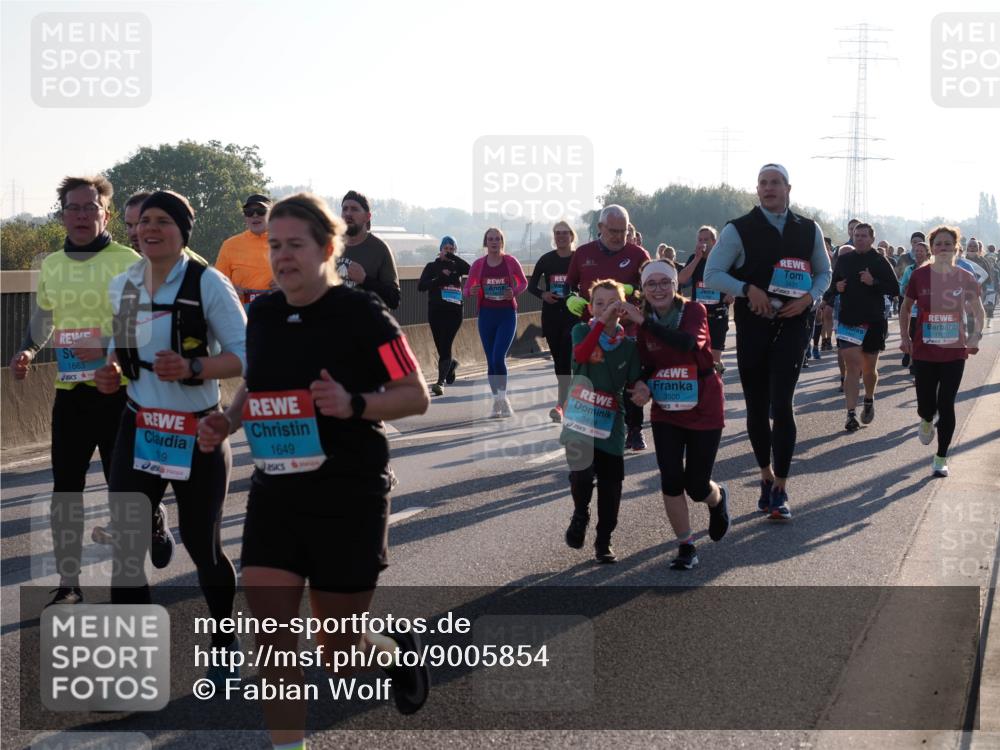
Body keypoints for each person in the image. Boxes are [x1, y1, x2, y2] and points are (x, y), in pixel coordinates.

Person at [196, 193, 431, 745]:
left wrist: (353, 404)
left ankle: (394, 654)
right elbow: (257, 382)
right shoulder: (266, 314)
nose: (282, 256)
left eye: (294, 245)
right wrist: (228, 422)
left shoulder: (363, 314)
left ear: (327, 248)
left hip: (349, 494)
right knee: (271, 641)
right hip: (277, 493)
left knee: (341, 657)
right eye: (274, 245)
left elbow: (415, 395)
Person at [94, 190, 245, 687]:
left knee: (203, 546)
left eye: (163, 221)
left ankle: (224, 639)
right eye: (144, 223)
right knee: (125, 548)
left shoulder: (208, 284)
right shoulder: (125, 285)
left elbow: (248, 358)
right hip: (139, 428)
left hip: (198, 431)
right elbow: (118, 350)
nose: (150, 230)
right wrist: (112, 373)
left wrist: (195, 366)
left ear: (183, 230)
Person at [9, 176, 143, 606]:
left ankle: (130, 576)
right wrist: (29, 350)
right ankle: (69, 583)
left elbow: (141, 323)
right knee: (65, 490)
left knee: (122, 491)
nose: (82, 216)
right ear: (62, 214)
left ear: (107, 213)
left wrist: (111, 353)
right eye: (73, 208)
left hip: (119, 392)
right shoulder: (51, 265)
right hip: (71, 392)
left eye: (91, 208)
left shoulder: (129, 261)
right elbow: (45, 317)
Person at [703, 163, 831, 520]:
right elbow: (713, 274)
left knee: (782, 405)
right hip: (754, 325)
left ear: (788, 188)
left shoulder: (808, 228)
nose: (768, 188)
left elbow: (824, 272)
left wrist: (810, 299)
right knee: (757, 408)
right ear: (756, 189)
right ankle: (764, 475)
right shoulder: (738, 229)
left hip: (794, 324)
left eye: (775, 183)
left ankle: (781, 489)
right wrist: (747, 290)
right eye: (763, 183)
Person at [624, 260, 729, 570]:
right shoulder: (642, 323)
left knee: (697, 485)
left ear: (675, 285)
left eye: (663, 282)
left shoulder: (694, 310)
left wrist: (643, 322)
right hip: (667, 409)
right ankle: (686, 545)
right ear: (643, 289)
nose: (657, 289)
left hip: (704, 403)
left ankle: (717, 498)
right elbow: (647, 364)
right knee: (671, 477)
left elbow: (685, 345)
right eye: (650, 284)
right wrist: (642, 384)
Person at [560, 280, 641, 563]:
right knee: (581, 474)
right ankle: (581, 512)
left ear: (622, 309)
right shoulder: (581, 330)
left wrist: (643, 387)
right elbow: (581, 355)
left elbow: (635, 380)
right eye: (599, 304)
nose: (605, 309)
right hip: (581, 411)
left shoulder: (629, 345)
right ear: (591, 307)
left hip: (611, 418)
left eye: (611, 304)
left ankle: (604, 539)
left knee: (611, 484)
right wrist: (599, 323)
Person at [899, 226, 985, 478]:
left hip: (954, 351)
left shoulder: (965, 277)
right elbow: (905, 309)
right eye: (938, 244)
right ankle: (926, 419)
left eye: (948, 244)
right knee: (926, 405)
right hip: (924, 350)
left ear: (956, 248)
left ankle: (941, 457)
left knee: (946, 403)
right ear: (931, 248)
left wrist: (975, 336)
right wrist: (904, 338)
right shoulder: (919, 276)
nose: (943, 248)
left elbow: (978, 311)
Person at [566, 205, 651, 449]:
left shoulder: (638, 254)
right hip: (591, 327)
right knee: (589, 380)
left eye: (623, 231)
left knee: (631, 381)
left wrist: (633, 290)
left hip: (627, 329)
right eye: (612, 230)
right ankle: (585, 430)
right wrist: (570, 298)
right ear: (600, 228)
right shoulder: (582, 253)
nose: (618, 236)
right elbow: (568, 285)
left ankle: (634, 430)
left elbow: (651, 289)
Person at [824, 223, 899, 431]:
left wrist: (873, 281)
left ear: (872, 239)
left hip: (874, 321)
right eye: (856, 235)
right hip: (849, 320)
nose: (859, 239)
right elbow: (831, 288)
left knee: (869, 369)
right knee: (852, 367)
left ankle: (869, 398)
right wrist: (836, 289)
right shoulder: (845, 260)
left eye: (864, 236)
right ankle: (850, 414)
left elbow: (894, 289)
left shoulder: (879, 260)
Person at [463, 228, 528, 418]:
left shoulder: (510, 262)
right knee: (491, 361)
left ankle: (503, 398)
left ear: (502, 242)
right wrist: (472, 291)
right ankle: (498, 401)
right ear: (485, 242)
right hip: (486, 315)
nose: (494, 242)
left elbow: (523, 283)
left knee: (499, 356)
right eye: (490, 239)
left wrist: (513, 292)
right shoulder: (479, 265)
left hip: (507, 314)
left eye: (497, 239)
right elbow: (466, 290)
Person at [528, 221, 578, 421]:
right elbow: (531, 286)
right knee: (559, 362)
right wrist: (544, 294)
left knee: (566, 357)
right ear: (553, 236)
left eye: (565, 233)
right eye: (557, 233)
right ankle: (566, 400)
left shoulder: (578, 259)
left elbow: (590, 283)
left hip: (572, 316)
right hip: (550, 316)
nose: (561, 236)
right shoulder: (546, 260)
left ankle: (561, 404)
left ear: (572, 236)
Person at [676, 225, 734, 373]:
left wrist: (732, 293)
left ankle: (717, 390)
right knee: (697, 356)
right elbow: (681, 279)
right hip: (698, 315)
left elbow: (736, 280)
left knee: (714, 359)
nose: (702, 243)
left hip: (718, 313)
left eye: (706, 239)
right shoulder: (694, 258)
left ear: (714, 242)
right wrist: (696, 258)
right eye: (700, 239)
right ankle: (702, 390)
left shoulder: (723, 258)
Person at [418, 235, 471, 396]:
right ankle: (451, 364)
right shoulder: (431, 266)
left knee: (446, 344)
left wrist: (453, 258)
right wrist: (440, 278)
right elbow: (421, 286)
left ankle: (440, 383)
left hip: (454, 312)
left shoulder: (458, 267)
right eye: (445, 249)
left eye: (451, 249)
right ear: (440, 249)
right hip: (436, 310)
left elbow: (471, 270)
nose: (448, 252)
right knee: (440, 346)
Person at [339, 190, 401, 309]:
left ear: (367, 217)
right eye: (345, 209)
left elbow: (394, 300)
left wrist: (365, 280)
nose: (348, 213)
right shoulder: (331, 246)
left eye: (354, 209)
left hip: (369, 325)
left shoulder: (380, 249)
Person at [216, 194, 275, 311]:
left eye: (261, 211)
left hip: (278, 313)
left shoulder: (286, 243)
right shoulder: (230, 245)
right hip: (240, 315)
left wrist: (289, 287)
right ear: (245, 216)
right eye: (249, 212)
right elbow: (217, 286)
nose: (255, 215)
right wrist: (230, 289)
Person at [898, 240, 931, 368]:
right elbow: (902, 289)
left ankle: (917, 364)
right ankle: (913, 361)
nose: (918, 253)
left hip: (926, 311)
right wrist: (906, 288)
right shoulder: (909, 269)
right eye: (916, 251)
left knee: (924, 339)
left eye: (921, 251)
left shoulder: (932, 269)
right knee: (913, 336)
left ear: (927, 253)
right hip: (912, 310)